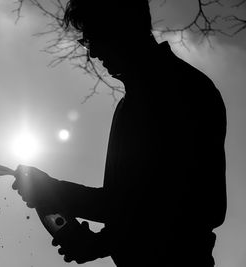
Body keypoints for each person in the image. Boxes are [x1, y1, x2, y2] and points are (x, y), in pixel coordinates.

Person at [12, 1, 227, 266]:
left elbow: (183, 207)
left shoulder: (178, 93)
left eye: (94, 38)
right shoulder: (139, 99)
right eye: (87, 41)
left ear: (123, 28)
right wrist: (100, 243)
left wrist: (54, 191)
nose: (93, 54)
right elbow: (139, 205)